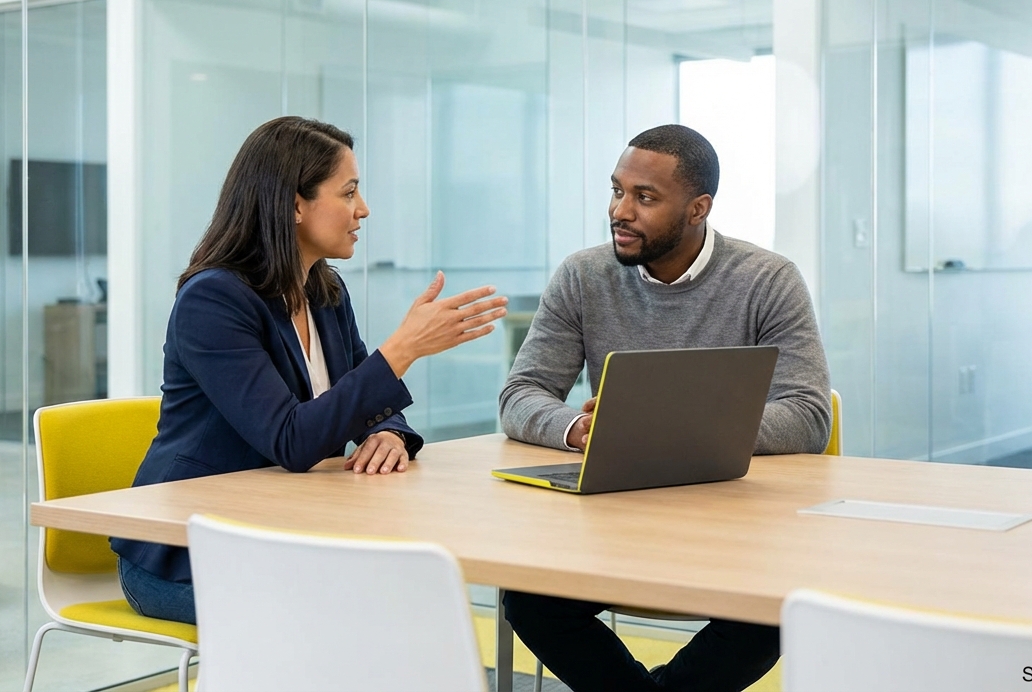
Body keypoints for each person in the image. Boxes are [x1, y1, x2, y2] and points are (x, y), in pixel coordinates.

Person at [112, 116, 508, 625]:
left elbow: (367, 399)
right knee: (351, 615)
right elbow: (292, 441)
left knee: (407, 599)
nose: (362, 210)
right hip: (186, 559)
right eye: (348, 192)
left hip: (283, 534)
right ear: (295, 204)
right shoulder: (213, 301)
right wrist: (404, 348)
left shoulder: (326, 291)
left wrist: (388, 433)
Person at [497, 124, 830, 692]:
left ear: (698, 208)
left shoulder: (768, 280)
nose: (620, 211)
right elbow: (521, 394)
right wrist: (581, 428)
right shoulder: (583, 275)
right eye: (617, 190)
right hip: (615, 523)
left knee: (776, 610)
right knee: (529, 601)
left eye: (644, 197)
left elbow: (808, 415)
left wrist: (667, 427)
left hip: (736, 526)